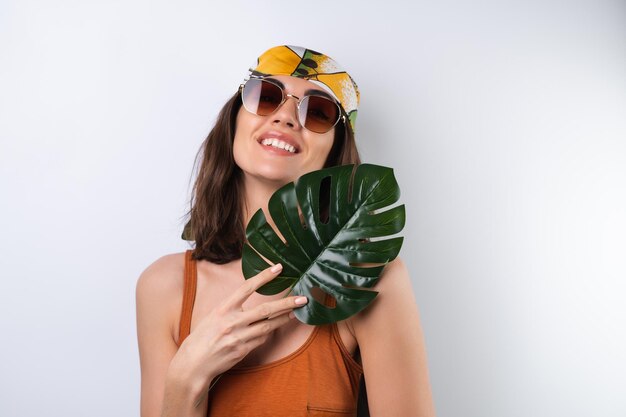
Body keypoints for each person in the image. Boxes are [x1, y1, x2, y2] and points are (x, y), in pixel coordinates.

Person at [136, 45, 435, 417]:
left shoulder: (366, 276)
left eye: (319, 112)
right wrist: (185, 378)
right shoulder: (164, 286)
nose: (286, 118)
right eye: (266, 97)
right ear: (234, 120)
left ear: (335, 149)